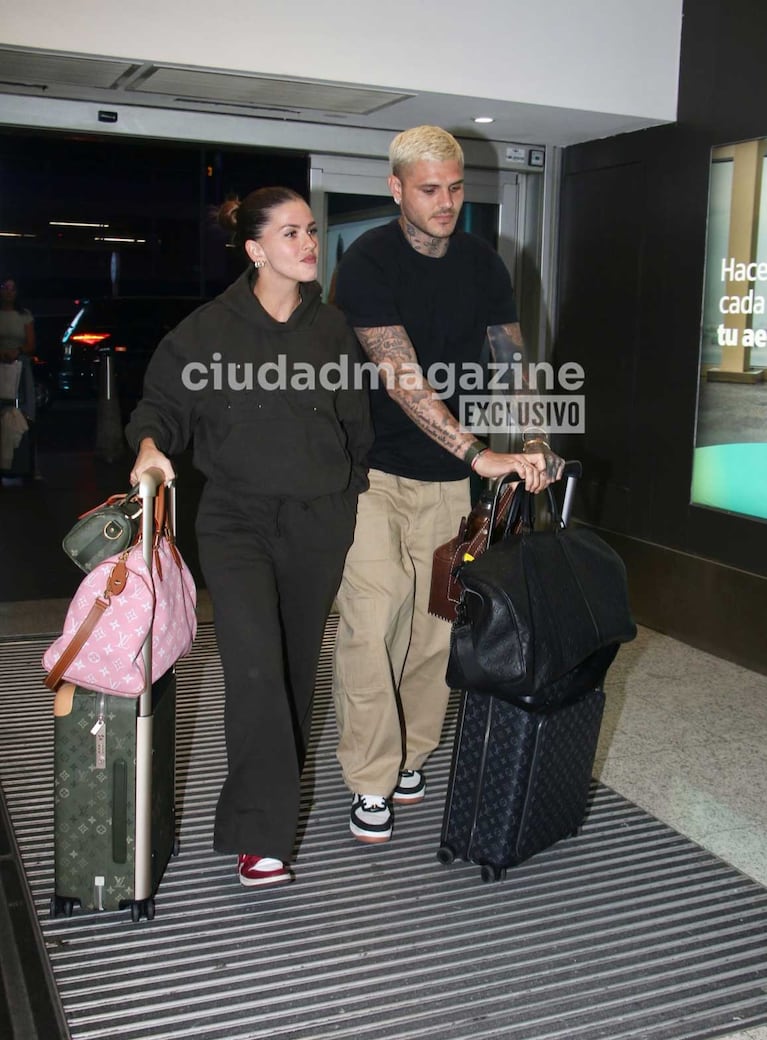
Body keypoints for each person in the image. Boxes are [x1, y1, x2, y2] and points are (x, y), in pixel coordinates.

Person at [126, 187, 372, 888]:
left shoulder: (331, 330)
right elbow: (161, 405)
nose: (307, 244)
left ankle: (265, 808)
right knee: (255, 666)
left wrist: (346, 492)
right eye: (290, 233)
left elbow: (355, 424)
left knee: (294, 667)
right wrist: (149, 447)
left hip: (318, 521)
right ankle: (261, 836)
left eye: (311, 231)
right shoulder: (206, 331)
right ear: (256, 249)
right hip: (236, 520)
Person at [331, 126, 564, 844]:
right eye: (429, 188)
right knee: (373, 623)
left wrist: (531, 439)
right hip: (368, 473)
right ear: (395, 187)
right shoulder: (367, 260)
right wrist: (477, 452)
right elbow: (400, 377)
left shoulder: (482, 263)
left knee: (435, 628)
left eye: (456, 187)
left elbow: (511, 362)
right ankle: (369, 776)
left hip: (445, 485)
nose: (446, 202)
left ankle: (413, 753)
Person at [0, 278, 37, 484]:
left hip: (20, 367)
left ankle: (26, 465)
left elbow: (31, 344)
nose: (8, 292)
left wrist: (17, 351)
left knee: (23, 413)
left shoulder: (24, 315)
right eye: (4, 288)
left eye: (12, 288)